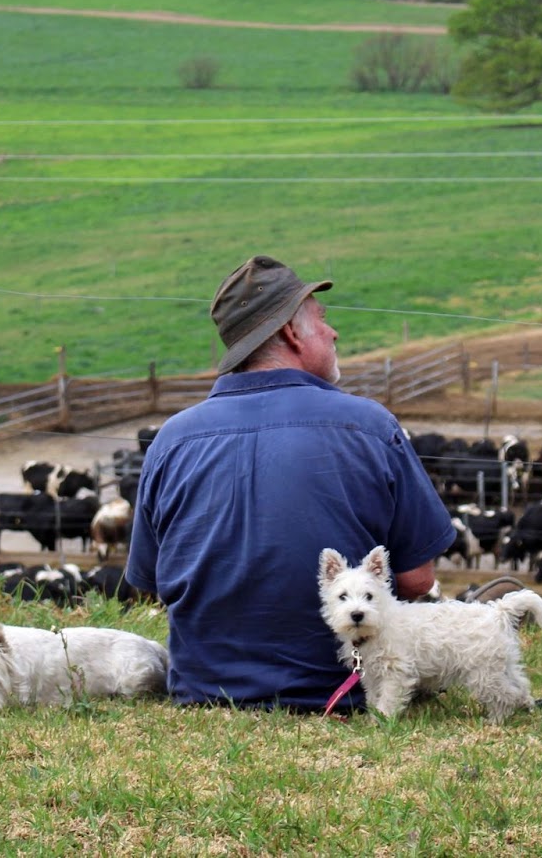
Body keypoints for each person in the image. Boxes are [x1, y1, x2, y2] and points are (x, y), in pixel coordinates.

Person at [125, 255, 455, 711]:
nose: (334, 332)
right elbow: (417, 581)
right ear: (291, 333)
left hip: (206, 695)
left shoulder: (172, 439)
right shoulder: (370, 425)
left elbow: (151, 581)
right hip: (347, 693)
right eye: (323, 320)